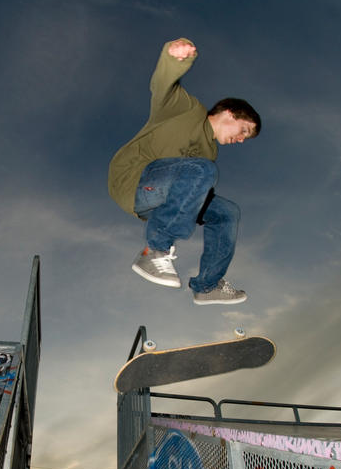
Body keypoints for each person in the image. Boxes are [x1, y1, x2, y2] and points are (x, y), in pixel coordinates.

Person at [108, 37, 261, 304]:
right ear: (228, 113)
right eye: (243, 131)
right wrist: (175, 58)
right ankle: (154, 251)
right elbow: (161, 87)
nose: (240, 140)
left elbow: (194, 196)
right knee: (202, 170)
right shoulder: (187, 110)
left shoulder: (210, 152)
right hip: (133, 179)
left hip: (158, 201)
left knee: (227, 213)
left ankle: (206, 285)